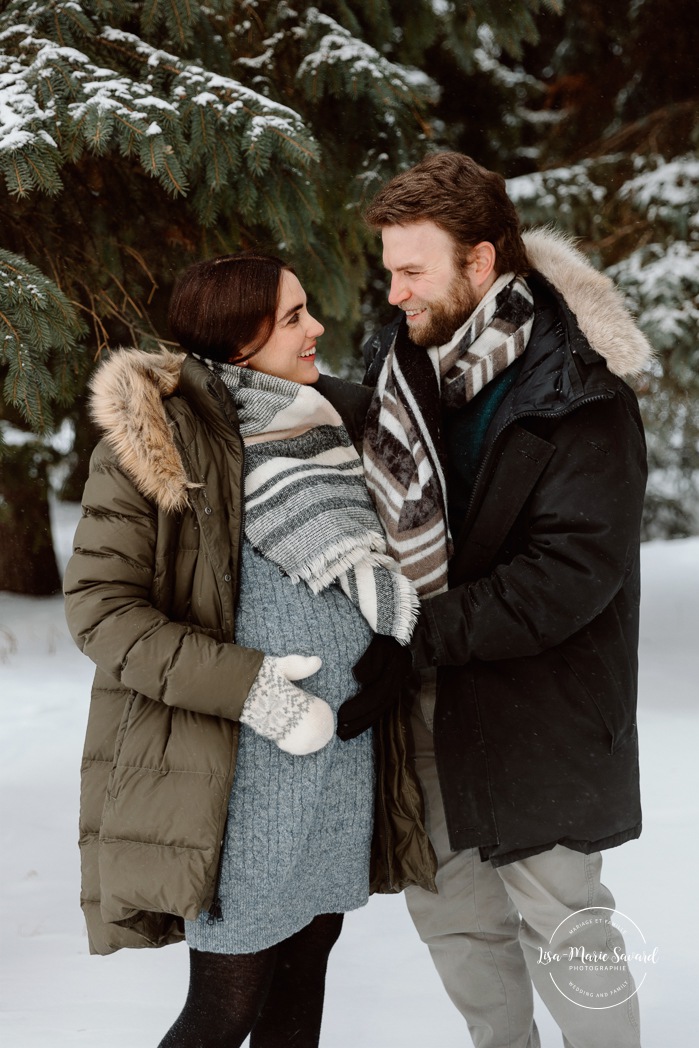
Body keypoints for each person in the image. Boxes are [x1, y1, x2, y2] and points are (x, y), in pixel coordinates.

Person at [318, 152, 650, 1048]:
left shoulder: (580, 394)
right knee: (457, 923)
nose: (393, 294)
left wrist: (411, 630)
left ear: (481, 261)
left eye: (412, 271)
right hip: (422, 702)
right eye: (389, 271)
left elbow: (568, 574)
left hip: (536, 708)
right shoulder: (403, 367)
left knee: (565, 928)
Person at [63, 253, 422, 1048]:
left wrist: (391, 637)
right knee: (224, 1009)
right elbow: (101, 612)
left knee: (303, 978)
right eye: (293, 317)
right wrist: (253, 690)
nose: (316, 327)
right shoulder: (158, 441)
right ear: (236, 343)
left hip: (337, 762)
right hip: (236, 773)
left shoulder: (331, 423)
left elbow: (377, 555)